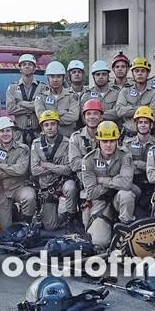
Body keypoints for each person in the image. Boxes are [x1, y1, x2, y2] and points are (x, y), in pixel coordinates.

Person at [81, 121, 135, 250]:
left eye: (112, 141)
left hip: (118, 197)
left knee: (127, 195)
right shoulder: (88, 160)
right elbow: (91, 192)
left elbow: (126, 184)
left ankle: (125, 231)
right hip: (99, 201)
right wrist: (115, 181)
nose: (108, 145)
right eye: (104, 141)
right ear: (98, 141)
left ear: (117, 140)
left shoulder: (125, 155)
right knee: (100, 242)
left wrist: (102, 180)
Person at [30, 110, 77, 232]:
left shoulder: (67, 142)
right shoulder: (35, 144)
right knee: (50, 226)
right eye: (46, 125)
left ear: (57, 125)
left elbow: (68, 169)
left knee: (71, 188)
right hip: (46, 187)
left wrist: (46, 165)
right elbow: (34, 170)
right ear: (42, 127)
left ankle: (71, 216)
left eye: (52, 124)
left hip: (62, 182)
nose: (50, 128)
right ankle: (61, 216)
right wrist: (57, 167)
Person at [0, 116, 36, 227]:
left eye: (8, 130)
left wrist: (2, 166)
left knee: (29, 197)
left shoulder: (23, 148)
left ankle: (27, 223)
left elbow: (22, 170)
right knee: (4, 229)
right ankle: (13, 211)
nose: (5, 134)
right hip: (1, 190)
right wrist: (13, 169)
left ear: (13, 132)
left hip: (19, 187)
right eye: (2, 131)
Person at [67, 98, 106, 232]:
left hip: (105, 183)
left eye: (96, 113)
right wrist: (97, 165)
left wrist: (87, 163)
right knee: (87, 224)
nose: (92, 117)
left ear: (101, 116)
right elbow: (74, 164)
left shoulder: (109, 134)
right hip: (85, 183)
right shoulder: (76, 137)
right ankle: (73, 218)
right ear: (84, 117)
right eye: (88, 114)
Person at [123, 106, 155, 216]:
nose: (143, 125)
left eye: (146, 122)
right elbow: (125, 166)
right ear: (136, 124)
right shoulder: (127, 144)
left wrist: (138, 164)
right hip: (133, 183)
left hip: (152, 186)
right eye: (140, 122)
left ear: (151, 125)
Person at [115, 57, 155, 136]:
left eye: (143, 71)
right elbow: (120, 111)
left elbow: (154, 114)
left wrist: (129, 108)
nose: (140, 73)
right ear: (132, 73)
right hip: (128, 135)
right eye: (137, 71)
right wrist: (145, 108)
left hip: (148, 136)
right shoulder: (125, 91)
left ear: (148, 73)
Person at [34, 61, 80, 137]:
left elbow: (74, 116)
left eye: (58, 76)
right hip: (48, 139)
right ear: (48, 78)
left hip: (68, 137)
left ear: (63, 78)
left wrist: (51, 117)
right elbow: (41, 117)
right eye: (52, 76)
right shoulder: (41, 97)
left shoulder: (72, 96)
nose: (55, 80)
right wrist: (63, 112)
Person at [6, 53, 42, 146]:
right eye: (24, 64)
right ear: (20, 68)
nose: (27, 66)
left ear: (34, 68)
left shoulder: (42, 87)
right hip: (19, 135)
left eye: (30, 64)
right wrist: (34, 106)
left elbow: (43, 107)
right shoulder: (12, 87)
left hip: (38, 133)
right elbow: (10, 109)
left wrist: (21, 103)